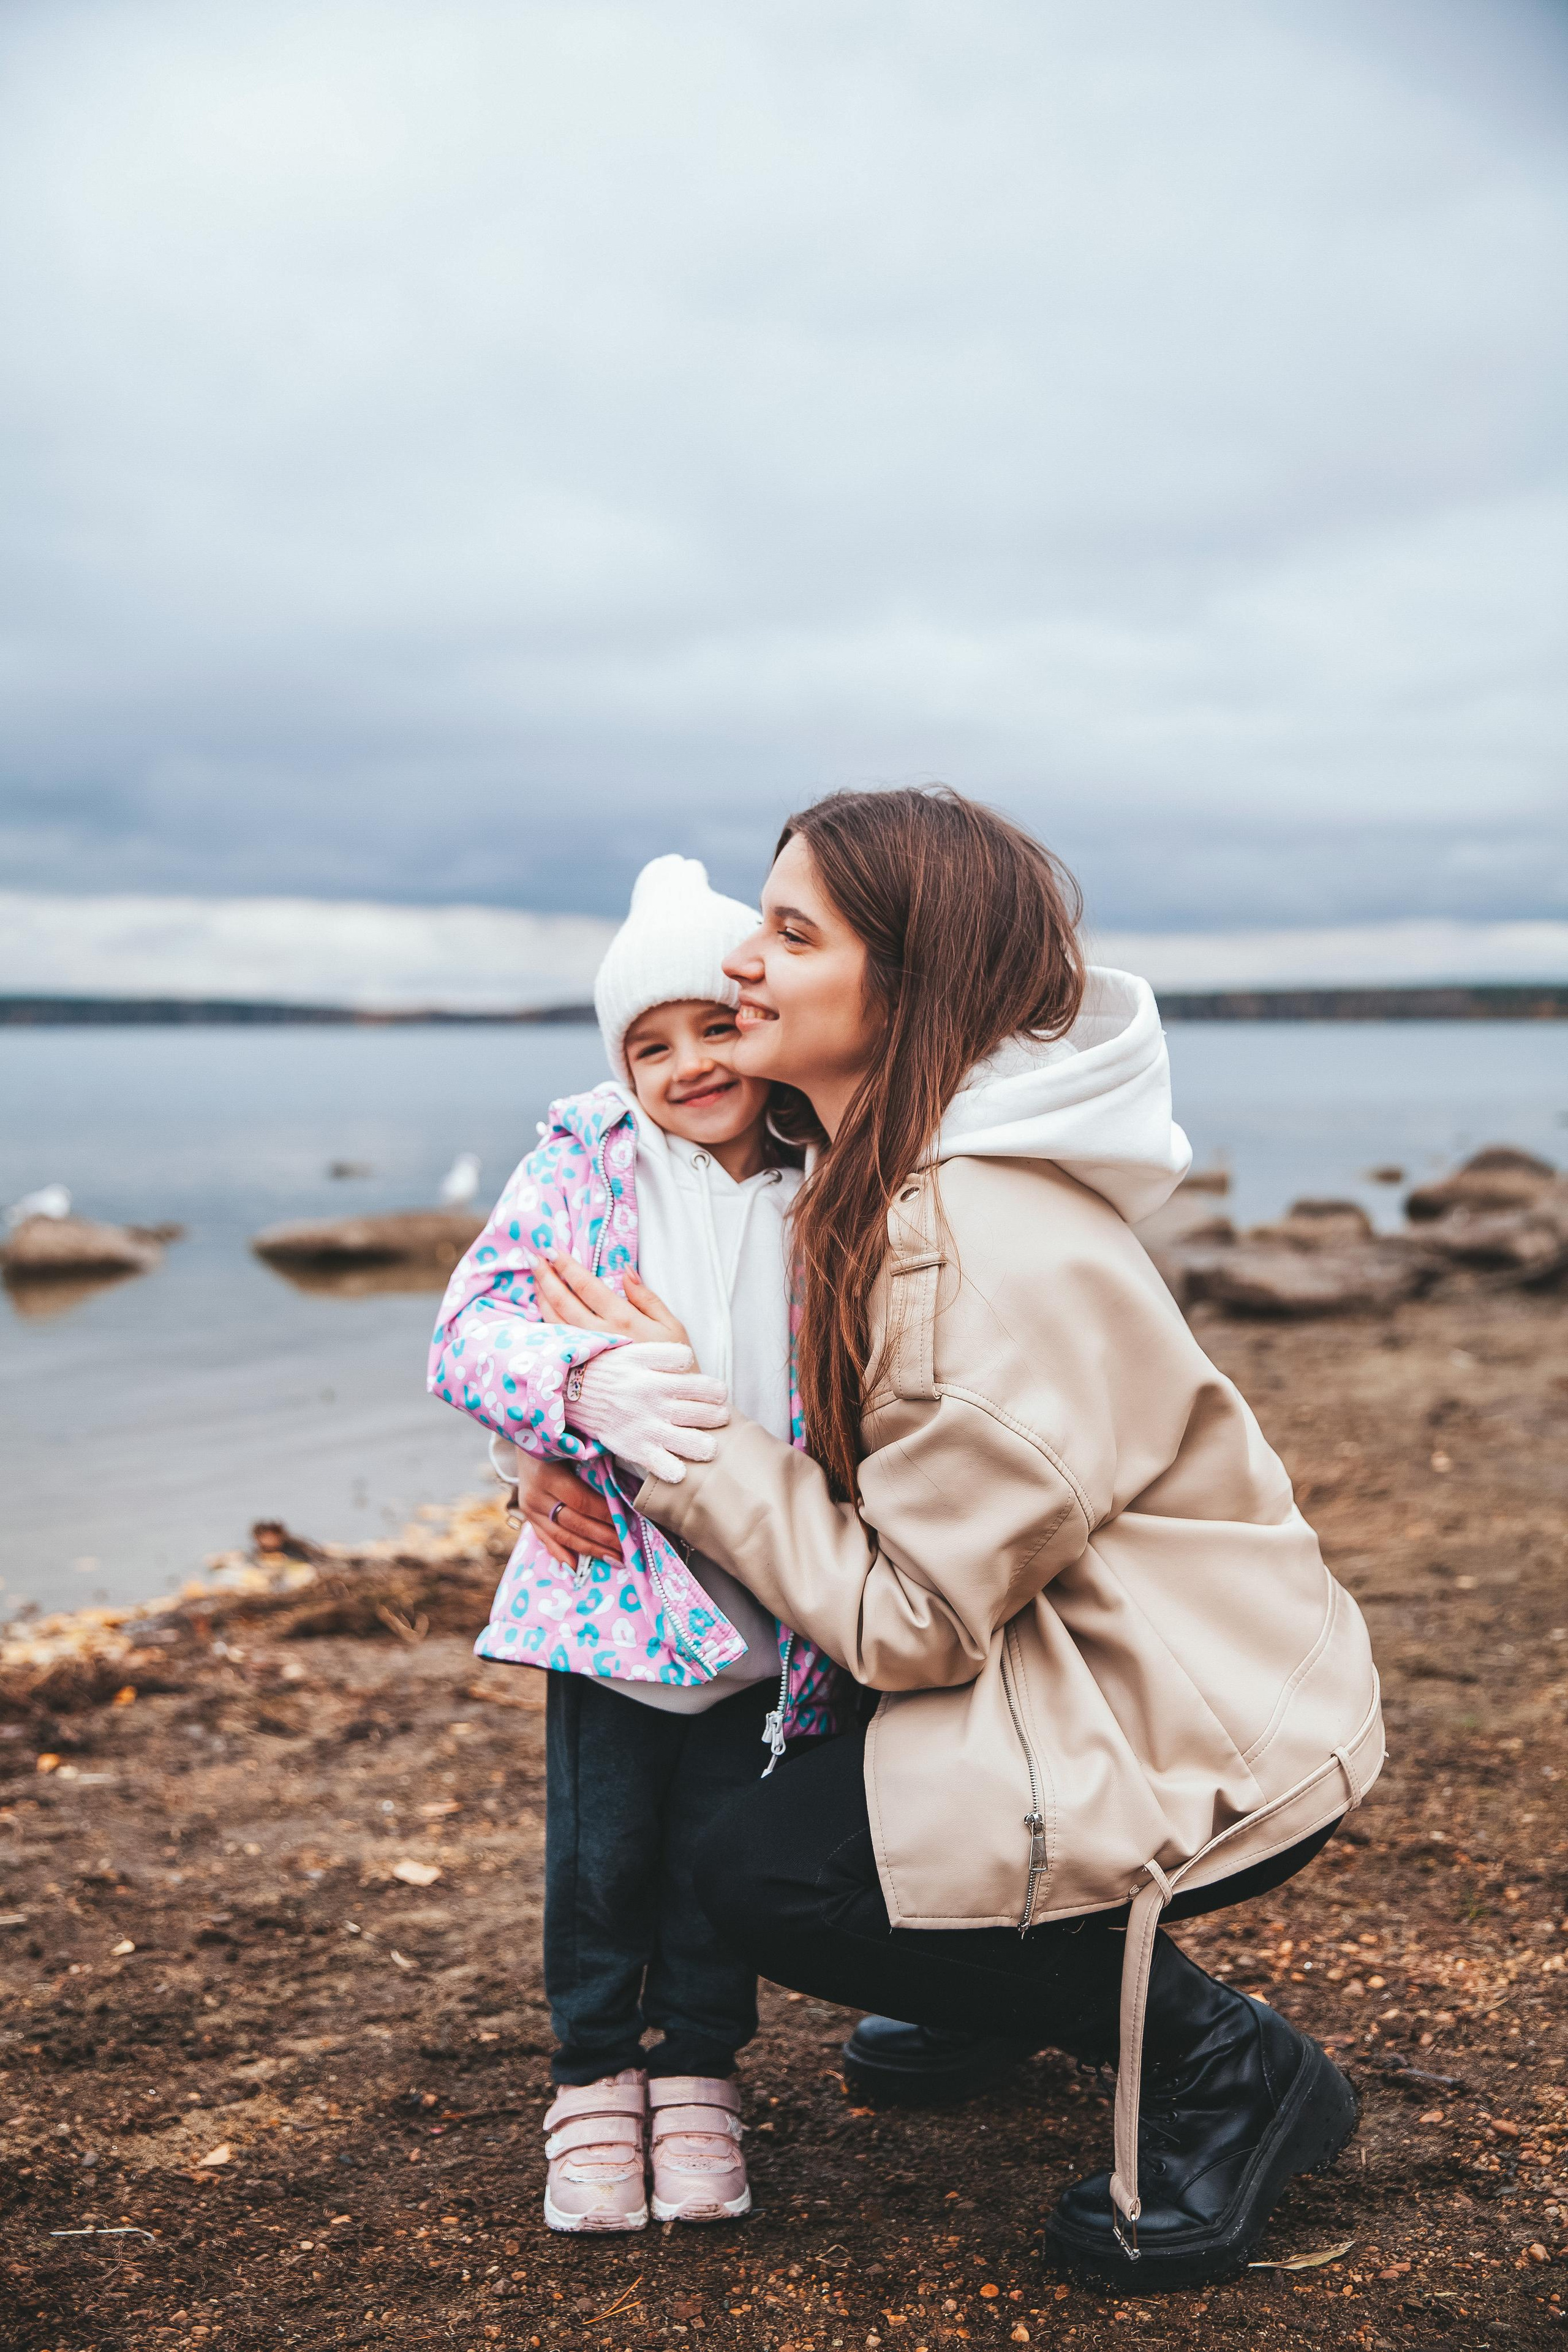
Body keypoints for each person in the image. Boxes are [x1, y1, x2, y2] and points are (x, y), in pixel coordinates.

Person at [531, 786, 1383, 2294]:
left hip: (1188, 1720)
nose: (739, 966)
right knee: (801, 1784)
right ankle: (1000, 1993)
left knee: (766, 1870)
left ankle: (1225, 2071)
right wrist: (548, 1437)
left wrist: (668, 1438)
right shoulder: (864, 1165)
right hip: (1051, 1656)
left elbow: (911, 1615)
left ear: (905, 988)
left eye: (788, 937)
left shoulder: (976, 1235)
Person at [427, 854, 842, 2234]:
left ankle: (702, 2078)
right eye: (647, 1045)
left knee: (722, 1861)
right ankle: (595, 2076)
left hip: (769, 1601)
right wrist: (557, 1413)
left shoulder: (826, 1181)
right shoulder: (583, 1168)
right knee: (602, 1859)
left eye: (715, 1027)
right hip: (611, 1589)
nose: (686, 1067)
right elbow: (472, 1332)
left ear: (765, 1026)